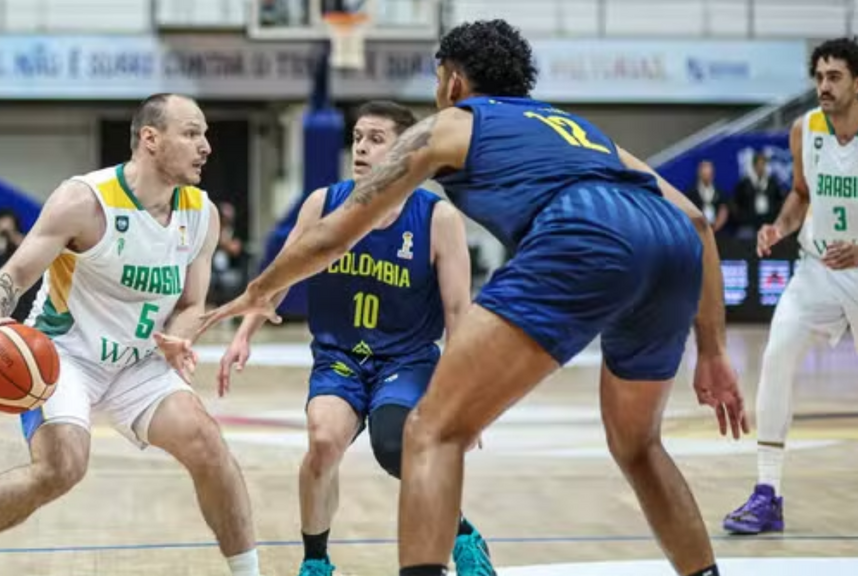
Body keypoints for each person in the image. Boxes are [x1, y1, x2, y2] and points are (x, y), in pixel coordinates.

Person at [198, 20, 748, 576]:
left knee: (431, 431)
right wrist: (714, 351)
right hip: (670, 245)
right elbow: (698, 221)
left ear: (454, 81)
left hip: (584, 235)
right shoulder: (579, 129)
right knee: (639, 446)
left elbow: (334, 234)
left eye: (440, 80)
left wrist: (257, 291)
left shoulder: (451, 124)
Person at [0, 94, 264, 576]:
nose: (206, 147)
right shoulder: (84, 202)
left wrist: (179, 337)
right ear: (150, 140)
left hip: (139, 360)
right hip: (64, 356)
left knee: (209, 447)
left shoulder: (201, 215)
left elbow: (192, 304)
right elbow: (10, 277)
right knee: (61, 468)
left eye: (206, 135)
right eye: (192, 133)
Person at [218, 100, 494, 576]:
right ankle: (316, 562)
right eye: (358, 138)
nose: (361, 148)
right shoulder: (324, 204)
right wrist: (245, 332)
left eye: (375, 138)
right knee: (323, 441)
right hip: (340, 355)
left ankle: (463, 534)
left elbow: (456, 310)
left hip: (406, 359)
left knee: (394, 443)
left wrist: (467, 396)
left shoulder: (437, 218)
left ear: (407, 151)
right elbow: (279, 275)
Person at [723, 37, 858, 536]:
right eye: (819, 77)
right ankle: (767, 493)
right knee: (776, 356)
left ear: (857, 82)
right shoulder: (805, 130)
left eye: (835, 77)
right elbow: (801, 194)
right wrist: (779, 227)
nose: (823, 86)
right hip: (816, 269)